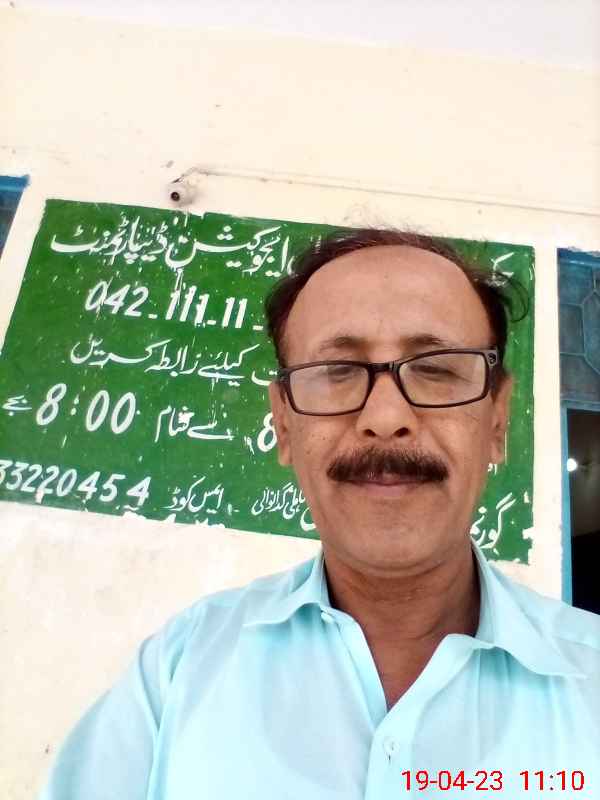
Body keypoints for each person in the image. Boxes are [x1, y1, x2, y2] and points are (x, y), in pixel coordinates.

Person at [40, 229, 600, 800]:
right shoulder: (177, 671)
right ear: (284, 426)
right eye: (336, 371)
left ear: (498, 421)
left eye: (436, 369)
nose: (385, 418)